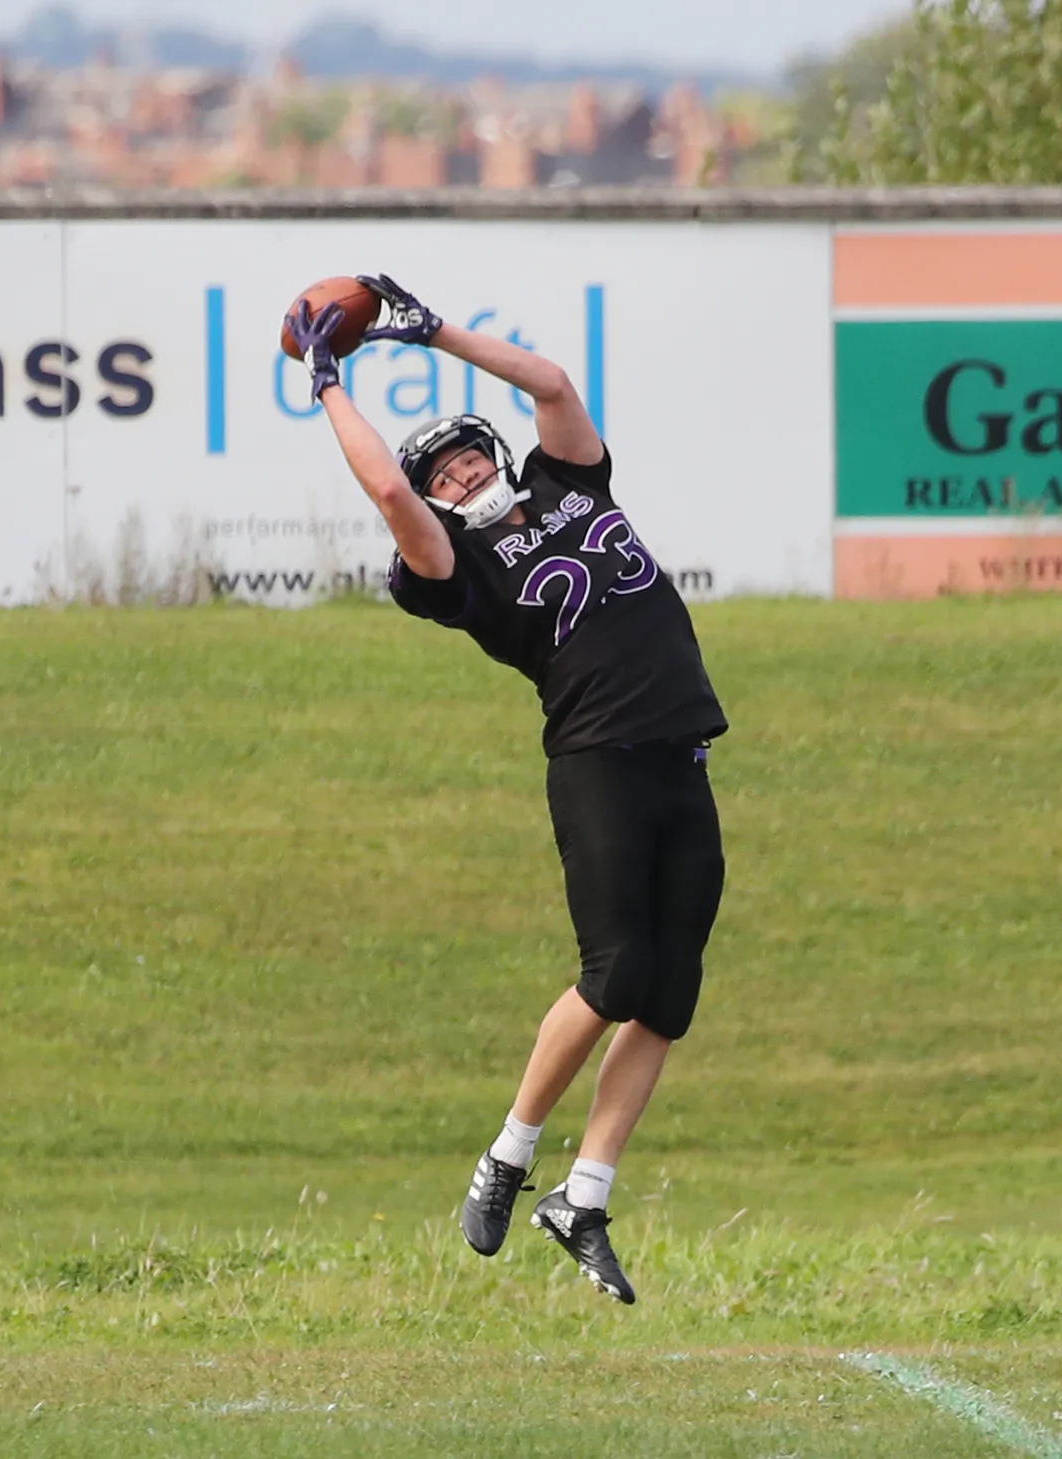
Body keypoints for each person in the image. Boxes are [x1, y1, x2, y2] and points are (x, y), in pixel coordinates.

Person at [288, 276, 728, 1305]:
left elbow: (552, 383)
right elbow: (390, 495)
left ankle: (583, 1197)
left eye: (469, 454)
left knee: (669, 995)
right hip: (598, 759)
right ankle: (508, 1152)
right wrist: (328, 383)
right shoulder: (462, 565)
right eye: (443, 472)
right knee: (615, 972)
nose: (462, 471)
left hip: (682, 753)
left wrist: (432, 329)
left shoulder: (571, 486)